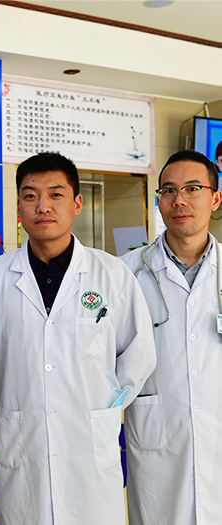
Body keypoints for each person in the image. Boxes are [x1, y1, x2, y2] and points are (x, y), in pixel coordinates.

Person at [0, 152, 156, 525]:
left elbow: (138, 353)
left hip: (89, 446)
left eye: (56, 194)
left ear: (77, 203)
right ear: (18, 207)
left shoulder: (111, 274)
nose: (43, 206)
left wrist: (105, 406)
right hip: (22, 446)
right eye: (30, 196)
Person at [121, 150, 222, 524]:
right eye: (168, 190)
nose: (179, 200)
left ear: (215, 198)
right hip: (157, 444)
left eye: (193, 188)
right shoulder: (126, 274)